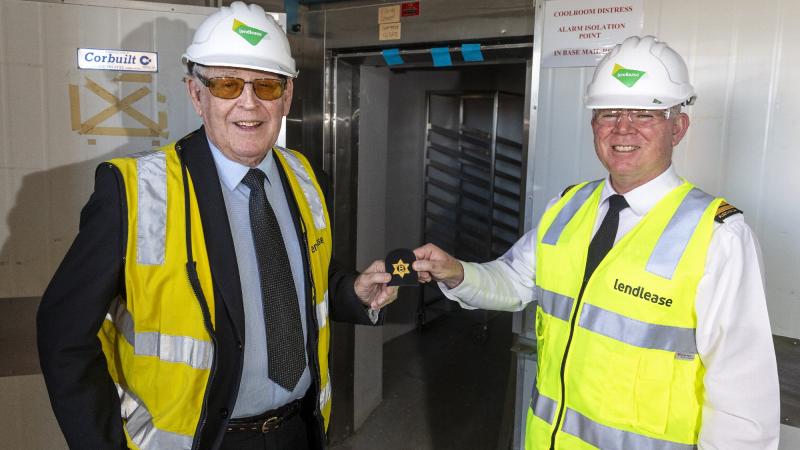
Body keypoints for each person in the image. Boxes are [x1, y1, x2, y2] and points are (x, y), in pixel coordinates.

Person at [36, 3, 397, 449]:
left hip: (299, 431)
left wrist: (351, 291)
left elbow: (307, 280)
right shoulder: (131, 192)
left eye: (266, 85)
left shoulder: (308, 178)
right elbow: (63, 336)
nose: (249, 103)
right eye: (227, 84)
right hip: (201, 440)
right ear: (196, 93)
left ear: (286, 97)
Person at [413, 35, 779, 449]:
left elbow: (742, 397)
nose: (623, 128)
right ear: (593, 125)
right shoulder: (567, 207)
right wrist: (458, 272)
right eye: (608, 113)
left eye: (645, 114)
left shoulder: (718, 236)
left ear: (677, 127)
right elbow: (515, 281)